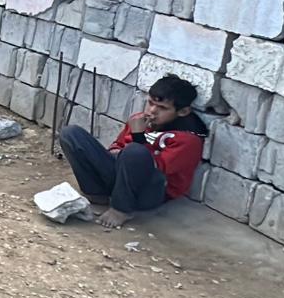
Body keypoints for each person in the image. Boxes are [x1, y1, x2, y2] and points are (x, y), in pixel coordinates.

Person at [58, 76, 208, 229]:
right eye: (150, 103)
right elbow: (118, 145)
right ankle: (96, 194)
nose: (152, 111)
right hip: (121, 176)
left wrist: (138, 137)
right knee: (71, 134)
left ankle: (121, 209)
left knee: (135, 151)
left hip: (150, 192)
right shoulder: (140, 121)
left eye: (162, 108)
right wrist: (116, 154)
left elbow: (157, 168)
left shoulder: (189, 140)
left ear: (183, 111)